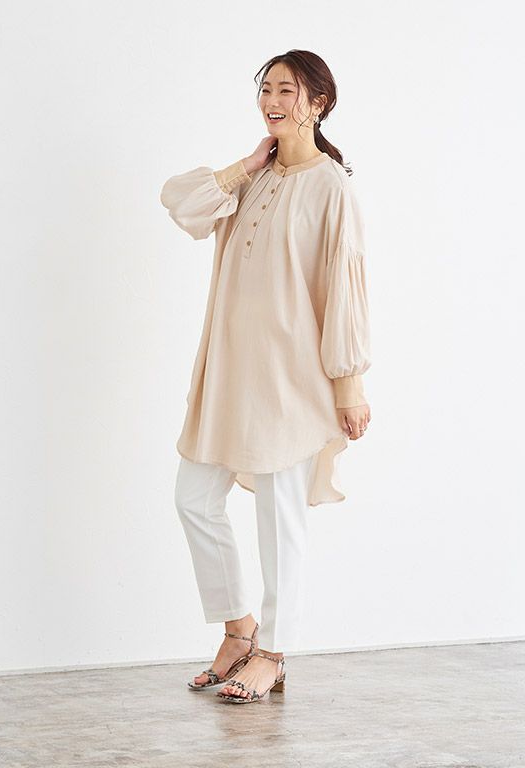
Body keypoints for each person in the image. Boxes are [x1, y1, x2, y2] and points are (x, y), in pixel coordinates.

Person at [159, 50, 372, 704]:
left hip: (291, 380)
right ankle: (239, 629)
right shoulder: (251, 179)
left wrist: (348, 384)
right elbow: (180, 203)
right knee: (194, 498)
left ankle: (273, 654)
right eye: (267, 90)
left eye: (288, 91)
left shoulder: (331, 186)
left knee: (279, 521)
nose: (273, 101)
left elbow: (343, 289)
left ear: (318, 103)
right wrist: (246, 165)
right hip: (228, 374)